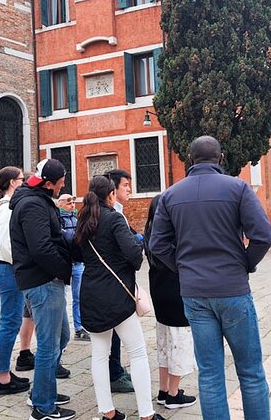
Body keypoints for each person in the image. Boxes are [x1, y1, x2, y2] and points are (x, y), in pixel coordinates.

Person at [149, 135, 271, 420]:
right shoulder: (238, 188)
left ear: (189, 160)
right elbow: (264, 235)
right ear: (220, 158)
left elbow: (157, 245)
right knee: (251, 372)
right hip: (232, 288)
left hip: (195, 293)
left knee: (209, 374)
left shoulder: (171, 195)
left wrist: (182, 267)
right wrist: (245, 264)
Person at [74, 175, 165, 420]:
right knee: (137, 352)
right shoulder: (114, 219)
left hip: (91, 293)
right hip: (116, 295)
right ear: (111, 195)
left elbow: (80, 254)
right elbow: (135, 257)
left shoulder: (83, 221)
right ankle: (146, 413)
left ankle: (108, 412)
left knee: (99, 355)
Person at [10, 159, 74, 420]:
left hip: (44, 280)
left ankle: (42, 391)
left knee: (61, 338)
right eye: (60, 183)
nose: (63, 186)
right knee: (49, 345)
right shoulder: (33, 205)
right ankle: (43, 408)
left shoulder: (37, 200)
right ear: (48, 183)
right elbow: (41, 248)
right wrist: (64, 270)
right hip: (43, 281)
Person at [143, 196, 197, 410]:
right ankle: (174, 393)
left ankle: (163, 390)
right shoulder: (172, 234)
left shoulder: (150, 234)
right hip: (176, 291)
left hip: (158, 290)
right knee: (180, 342)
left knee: (165, 342)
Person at [0, 166, 31, 395]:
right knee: (9, 324)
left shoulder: (5, 206)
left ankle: (3, 372)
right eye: (22, 179)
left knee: (12, 322)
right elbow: (7, 244)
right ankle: (2, 377)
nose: (24, 182)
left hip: (7, 269)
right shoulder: (5, 209)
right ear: (12, 183)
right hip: (9, 270)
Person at [102, 169, 137, 393]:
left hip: (113, 280)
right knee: (115, 330)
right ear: (113, 189)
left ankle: (115, 369)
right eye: (125, 185)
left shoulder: (118, 212)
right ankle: (113, 373)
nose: (129, 189)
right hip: (113, 280)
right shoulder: (111, 215)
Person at [58, 193, 91, 341]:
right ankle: (61, 327)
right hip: (64, 263)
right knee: (62, 297)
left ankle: (79, 327)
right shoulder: (57, 219)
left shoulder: (77, 219)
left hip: (77, 262)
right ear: (60, 204)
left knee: (78, 296)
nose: (72, 205)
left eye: (73, 202)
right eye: (68, 202)